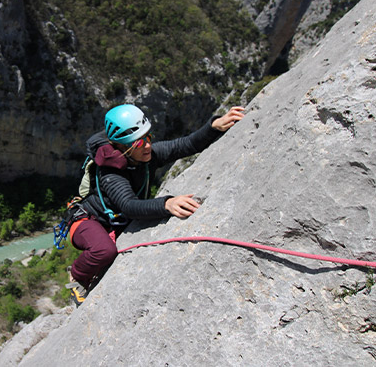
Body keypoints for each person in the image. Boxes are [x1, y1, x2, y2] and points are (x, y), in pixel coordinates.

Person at [65, 104, 245, 306]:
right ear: (123, 147)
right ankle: (77, 276)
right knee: (104, 250)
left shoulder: (142, 156)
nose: (147, 145)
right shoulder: (111, 174)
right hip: (88, 221)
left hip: (114, 220)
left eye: (148, 137)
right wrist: (166, 204)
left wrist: (214, 126)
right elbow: (129, 205)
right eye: (139, 142)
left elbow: (183, 145)